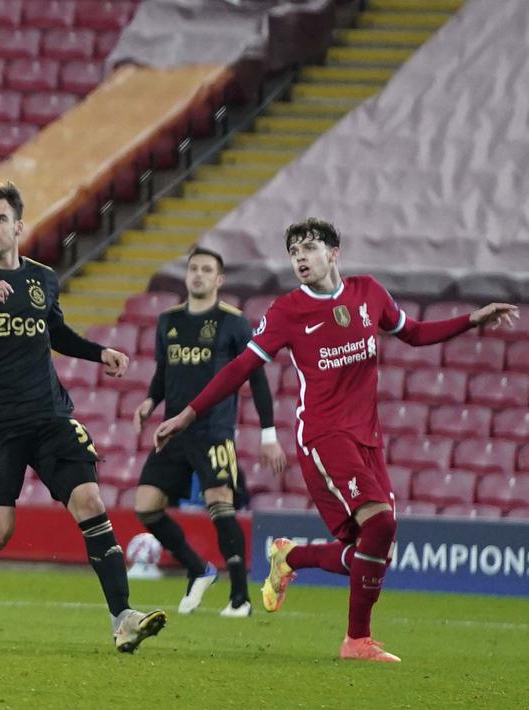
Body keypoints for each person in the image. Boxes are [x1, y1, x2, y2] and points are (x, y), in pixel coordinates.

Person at [154, 218, 518, 662]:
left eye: (309, 248)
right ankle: (356, 641)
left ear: (333, 253)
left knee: (373, 550)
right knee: (380, 525)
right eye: (293, 252)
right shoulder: (288, 311)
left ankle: (290, 558)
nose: (300, 258)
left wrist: (472, 319)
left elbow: (415, 333)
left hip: (367, 437)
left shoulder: (369, 293)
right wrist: (188, 414)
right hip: (323, 435)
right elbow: (241, 367)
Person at [0, 181, 166, 654]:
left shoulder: (42, 279)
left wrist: (98, 352)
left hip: (50, 416)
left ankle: (123, 617)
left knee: (90, 501)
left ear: (18, 226)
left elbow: (55, 332)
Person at [132, 246, 286, 618]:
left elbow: (257, 379)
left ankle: (240, 598)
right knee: (146, 506)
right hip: (173, 430)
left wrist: (268, 435)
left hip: (214, 430)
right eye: (193, 269)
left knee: (220, 504)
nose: (198, 275)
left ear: (219, 280)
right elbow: (163, 372)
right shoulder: (168, 321)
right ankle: (198, 568)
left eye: (206, 270)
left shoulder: (233, 323)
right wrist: (150, 401)